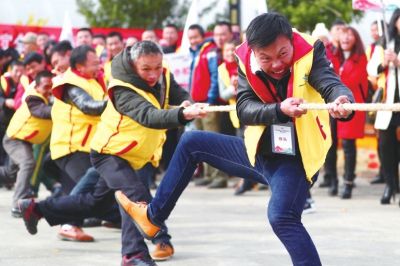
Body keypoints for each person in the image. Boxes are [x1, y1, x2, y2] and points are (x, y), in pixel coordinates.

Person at [113, 13, 354, 266]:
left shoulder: (310, 50)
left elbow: (331, 84)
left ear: (291, 42)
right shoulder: (245, 59)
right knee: (191, 142)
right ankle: (153, 218)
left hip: (297, 159)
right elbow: (244, 109)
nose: (276, 64)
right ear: (254, 51)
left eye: (283, 54)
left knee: (282, 217)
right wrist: (278, 110)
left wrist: (342, 101)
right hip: (258, 153)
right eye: (266, 58)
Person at [18, 41, 207, 266]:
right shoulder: (121, 88)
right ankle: (134, 254)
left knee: (96, 204)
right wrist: (182, 114)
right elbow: (149, 116)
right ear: (132, 64)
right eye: (146, 69)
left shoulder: (163, 75)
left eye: (157, 67)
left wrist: (187, 102)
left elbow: (178, 93)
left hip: (136, 154)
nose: (154, 74)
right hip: (109, 153)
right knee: (134, 197)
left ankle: (36, 209)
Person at [3, 70, 53, 217]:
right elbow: (44, 112)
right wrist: (63, 108)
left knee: (10, 174)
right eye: (45, 86)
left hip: (25, 141)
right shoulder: (33, 98)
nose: (49, 89)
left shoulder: (48, 98)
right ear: (37, 86)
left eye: (51, 86)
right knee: (28, 163)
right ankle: (17, 204)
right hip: (14, 140)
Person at [328, 26, 368, 199]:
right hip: (331, 104)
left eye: (349, 35)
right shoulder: (331, 56)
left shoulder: (361, 58)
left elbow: (352, 80)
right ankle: (332, 180)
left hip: (351, 104)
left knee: (348, 146)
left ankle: (348, 183)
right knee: (330, 143)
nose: (345, 37)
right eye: (342, 34)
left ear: (355, 39)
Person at [367, 8, 400, 205]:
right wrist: (385, 63)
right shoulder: (384, 44)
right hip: (387, 105)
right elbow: (371, 69)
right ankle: (390, 184)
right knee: (386, 148)